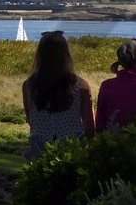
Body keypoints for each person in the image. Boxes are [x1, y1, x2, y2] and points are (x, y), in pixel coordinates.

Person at [22, 30, 95, 159]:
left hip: (39, 151)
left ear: (40, 55)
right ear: (65, 55)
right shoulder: (81, 85)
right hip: (72, 151)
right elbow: (90, 128)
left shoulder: (29, 86)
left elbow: (32, 121)